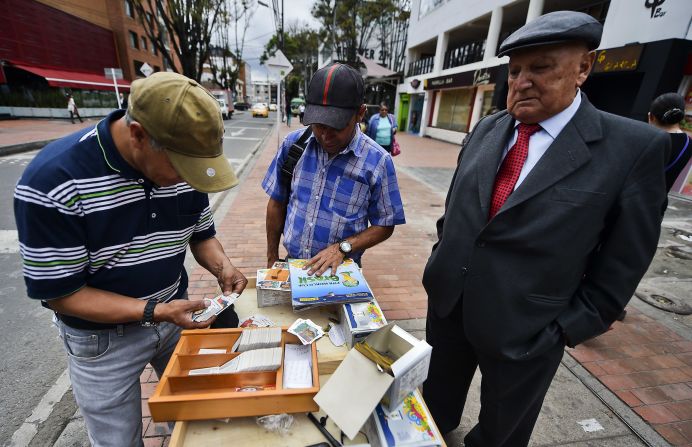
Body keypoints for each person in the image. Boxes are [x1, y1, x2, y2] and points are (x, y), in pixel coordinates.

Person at [421, 11, 668, 447]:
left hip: (528, 330)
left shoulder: (633, 148)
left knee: (501, 432)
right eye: (515, 71)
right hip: (448, 307)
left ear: (584, 68)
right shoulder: (487, 128)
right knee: (432, 408)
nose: (521, 82)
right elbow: (457, 211)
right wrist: (441, 262)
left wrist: (567, 328)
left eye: (541, 67)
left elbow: (626, 259)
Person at [15, 72, 247, 446]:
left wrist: (223, 267)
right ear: (138, 135)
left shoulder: (185, 169)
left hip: (175, 316)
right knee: (117, 441)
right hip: (100, 341)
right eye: (180, 168)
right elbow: (62, 293)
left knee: (200, 419)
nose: (186, 179)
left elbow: (202, 235)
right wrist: (154, 310)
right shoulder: (53, 182)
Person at [263, 63, 405, 276]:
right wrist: (272, 258)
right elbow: (276, 202)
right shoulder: (292, 146)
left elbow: (385, 224)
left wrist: (343, 247)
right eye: (319, 125)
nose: (325, 136)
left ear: (360, 114)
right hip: (292, 267)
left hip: (342, 273)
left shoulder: (378, 161)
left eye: (337, 126)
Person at [649, 92, 691, 192]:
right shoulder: (688, 143)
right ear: (683, 114)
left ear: (651, 117)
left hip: (633, 202)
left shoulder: (648, 140)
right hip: (658, 203)